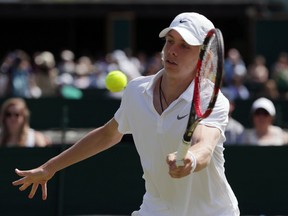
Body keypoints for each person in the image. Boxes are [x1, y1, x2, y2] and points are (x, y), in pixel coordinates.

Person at [12, 12, 239, 216]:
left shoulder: (213, 99)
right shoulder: (136, 91)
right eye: (170, 41)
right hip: (157, 208)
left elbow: (205, 146)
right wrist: (50, 167)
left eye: (184, 46)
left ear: (204, 57)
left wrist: (190, 158)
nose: (172, 50)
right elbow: (108, 134)